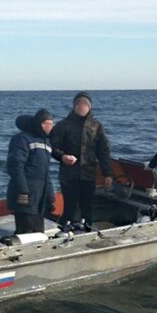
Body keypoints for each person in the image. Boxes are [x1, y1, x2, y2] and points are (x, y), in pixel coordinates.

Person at [50, 91, 113, 228]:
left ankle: (87, 230)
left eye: (85, 104)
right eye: (78, 104)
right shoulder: (63, 125)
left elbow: (103, 151)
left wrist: (108, 173)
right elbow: (52, 147)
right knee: (69, 207)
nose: (81, 107)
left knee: (87, 207)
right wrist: (62, 156)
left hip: (89, 174)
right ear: (73, 106)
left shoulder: (97, 126)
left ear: (90, 107)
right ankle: (65, 231)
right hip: (68, 174)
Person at [6, 109, 56, 234]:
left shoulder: (46, 143)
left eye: (52, 123)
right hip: (26, 196)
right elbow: (15, 166)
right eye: (48, 123)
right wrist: (23, 190)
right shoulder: (22, 139)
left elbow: (46, 173)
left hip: (40, 198)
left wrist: (50, 196)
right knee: (26, 231)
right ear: (41, 124)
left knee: (38, 232)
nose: (51, 126)